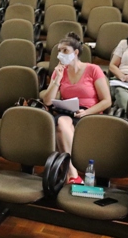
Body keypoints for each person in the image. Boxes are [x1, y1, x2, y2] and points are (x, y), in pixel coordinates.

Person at [42, 32, 111, 184]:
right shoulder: (59, 71)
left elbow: (107, 101)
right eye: (59, 51)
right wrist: (57, 79)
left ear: (76, 52)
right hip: (68, 112)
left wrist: (86, 112)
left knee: (61, 129)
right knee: (61, 123)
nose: (60, 54)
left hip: (90, 113)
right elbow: (47, 101)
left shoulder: (93, 69)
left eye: (65, 50)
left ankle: (73, 173)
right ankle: (73, 174)